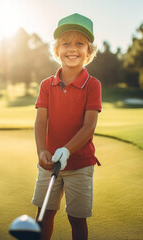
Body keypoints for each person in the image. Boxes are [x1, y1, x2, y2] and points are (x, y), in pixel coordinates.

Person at [32, 13, 101, 240]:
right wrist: (42, 151)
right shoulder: (46, 85)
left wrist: (68, 150)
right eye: (66, 43)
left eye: (80, 43)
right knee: (43, 215)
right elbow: (41, 121)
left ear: (88, 52)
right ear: (57, 50)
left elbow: (89, 126)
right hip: (49, 161)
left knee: (76, 219)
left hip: (80, 163)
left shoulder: (93, 85)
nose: (72, 49)